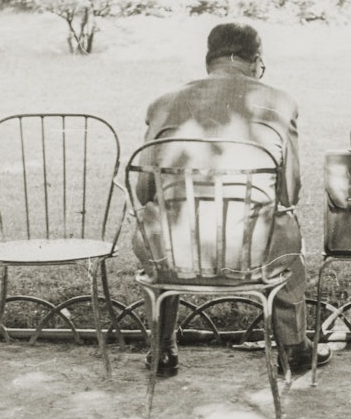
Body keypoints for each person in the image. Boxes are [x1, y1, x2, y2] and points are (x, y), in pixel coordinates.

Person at [131, 22, 331, 379]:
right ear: (255, 62)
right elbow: (290, 192)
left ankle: (162, 350)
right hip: (252, 251)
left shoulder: (162, 104)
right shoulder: (280, 102)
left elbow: (145, 190)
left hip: (174, 252)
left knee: (159, 221)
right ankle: (295, 348)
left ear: (210, 59)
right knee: (282, 224)